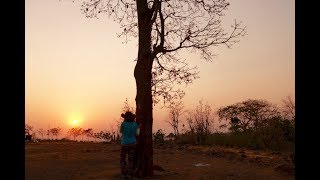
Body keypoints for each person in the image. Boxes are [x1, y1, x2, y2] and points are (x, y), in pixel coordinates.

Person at [119, 111, 140, 180]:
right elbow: (137, 134)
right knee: (131, 160)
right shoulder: (135, 124)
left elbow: (121, 131)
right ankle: (130, 174)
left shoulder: (123, 124)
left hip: (124, 143)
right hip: (133, 143)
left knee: (122, 159)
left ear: (125, 118)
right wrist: (139, 127)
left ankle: (123, 174)